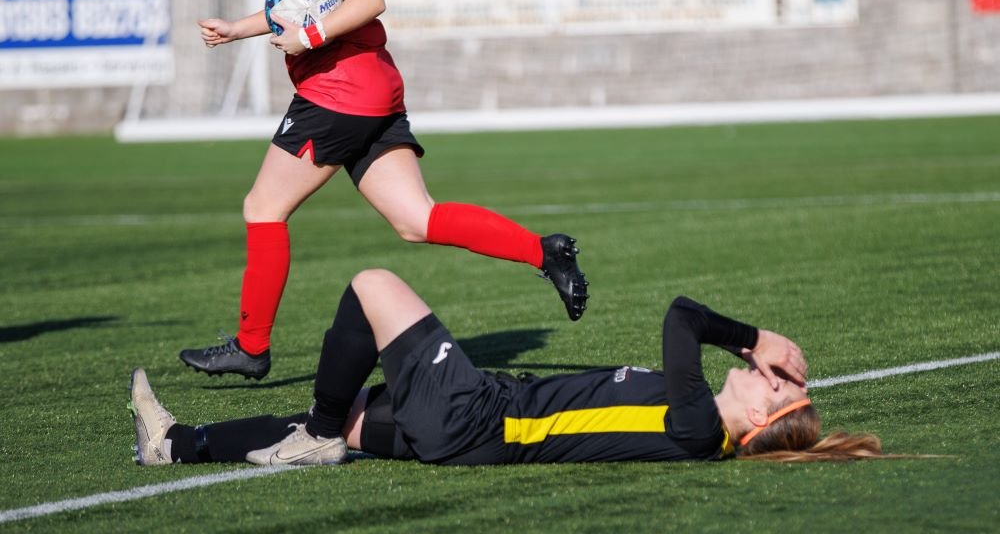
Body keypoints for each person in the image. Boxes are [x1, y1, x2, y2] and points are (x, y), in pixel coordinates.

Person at [182, 0, 588, 380]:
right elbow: (294, 6)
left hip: (337, 95)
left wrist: (314, 36)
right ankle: (547, 253)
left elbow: (370, 0)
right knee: (416, 220)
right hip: (369, 92)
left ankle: (251, 347)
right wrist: (239, 29)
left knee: (263, 208)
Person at [131, 268, 886, 467]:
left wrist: (753, 333)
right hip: (479, 424)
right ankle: (176, 445)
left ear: (759, 418)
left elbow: (681, 315)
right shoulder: (698, 422)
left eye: (773, 384)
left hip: (481, 415)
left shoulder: (697, 426)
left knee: (372, 287)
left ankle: (319, 435)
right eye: (773, 371)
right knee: (348, 414)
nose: (764, 371)